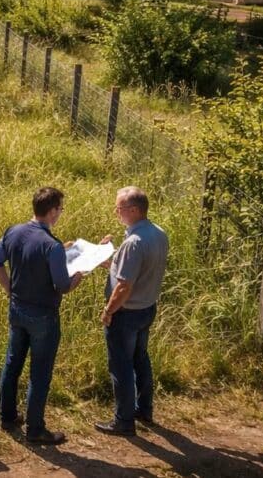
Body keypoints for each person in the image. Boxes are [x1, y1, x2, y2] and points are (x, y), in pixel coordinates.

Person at [0, 187, 84, 445]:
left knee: (12, 364)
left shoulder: (13, 231)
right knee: (40, 373)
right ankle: (35, 429)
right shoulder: (51, 246)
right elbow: (62, 286)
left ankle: (8, 417)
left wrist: (9, 288)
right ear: (52, 211)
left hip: (17, 310)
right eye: (60, 209)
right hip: (43, 317)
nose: (60, 213)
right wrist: (78, 277)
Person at [94, 186, 169, 436]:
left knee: (121, 366)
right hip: (147, 308)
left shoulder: (134, 243)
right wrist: (111, 259)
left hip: (126, 313)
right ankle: (144, 409)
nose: (116, 212)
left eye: (120, 208)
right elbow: (133, 270)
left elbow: (124, 285)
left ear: (134, 210)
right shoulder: (158, 233)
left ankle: (124, 420)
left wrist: (108, 311)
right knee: (140, 358)